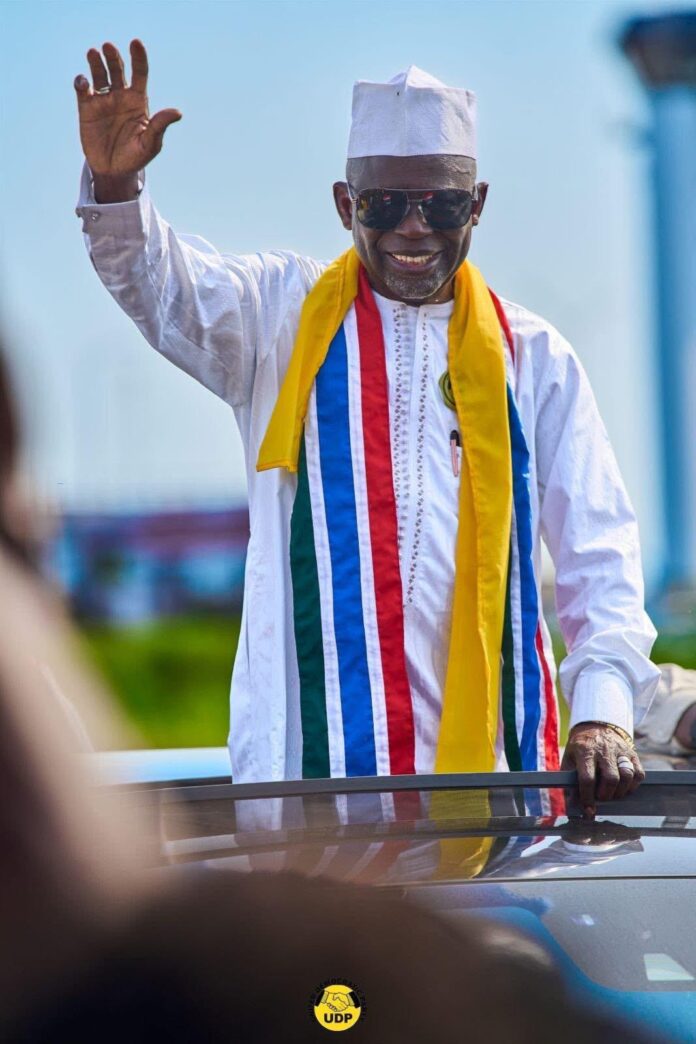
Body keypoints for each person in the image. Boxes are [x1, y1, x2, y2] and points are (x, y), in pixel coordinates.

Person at [73, 40, 660, 809]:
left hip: (499, 791)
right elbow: (164, 290)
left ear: (477, 204)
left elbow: (600, 557)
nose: (413, 229)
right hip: (317, 803)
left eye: (441, 205)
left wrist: (603, 715)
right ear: (346, 205)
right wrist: (118, 188)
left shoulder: (534, 358)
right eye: (385, 205)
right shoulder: (277, 319)